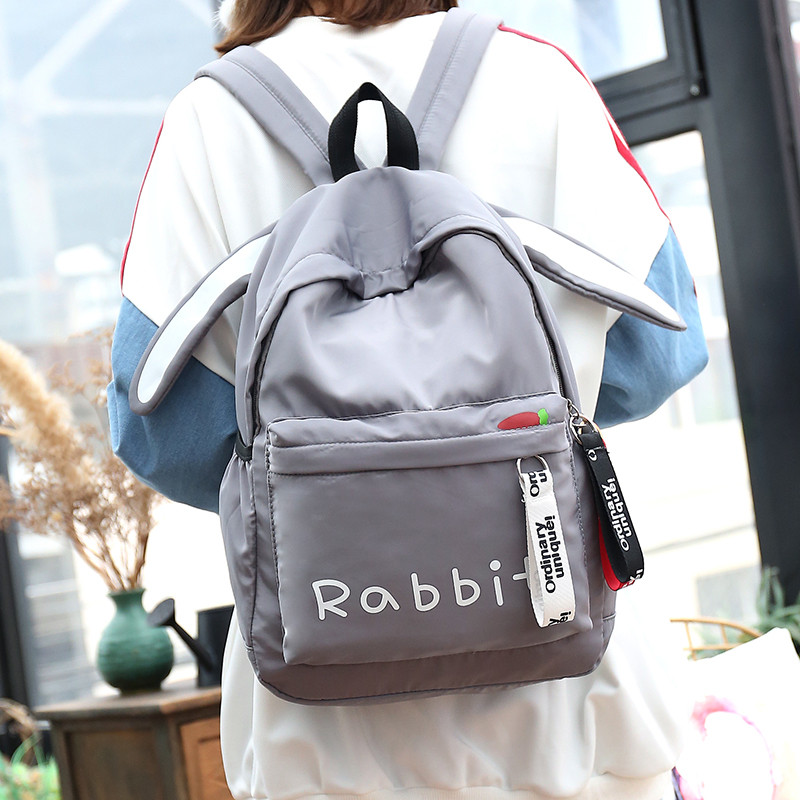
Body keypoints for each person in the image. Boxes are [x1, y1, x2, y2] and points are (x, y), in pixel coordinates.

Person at [108, 2, 708, 799]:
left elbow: (163, 435)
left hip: (325, 747)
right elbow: (657, 355)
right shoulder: (537, 76)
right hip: (585, 722)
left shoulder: (207, 120)